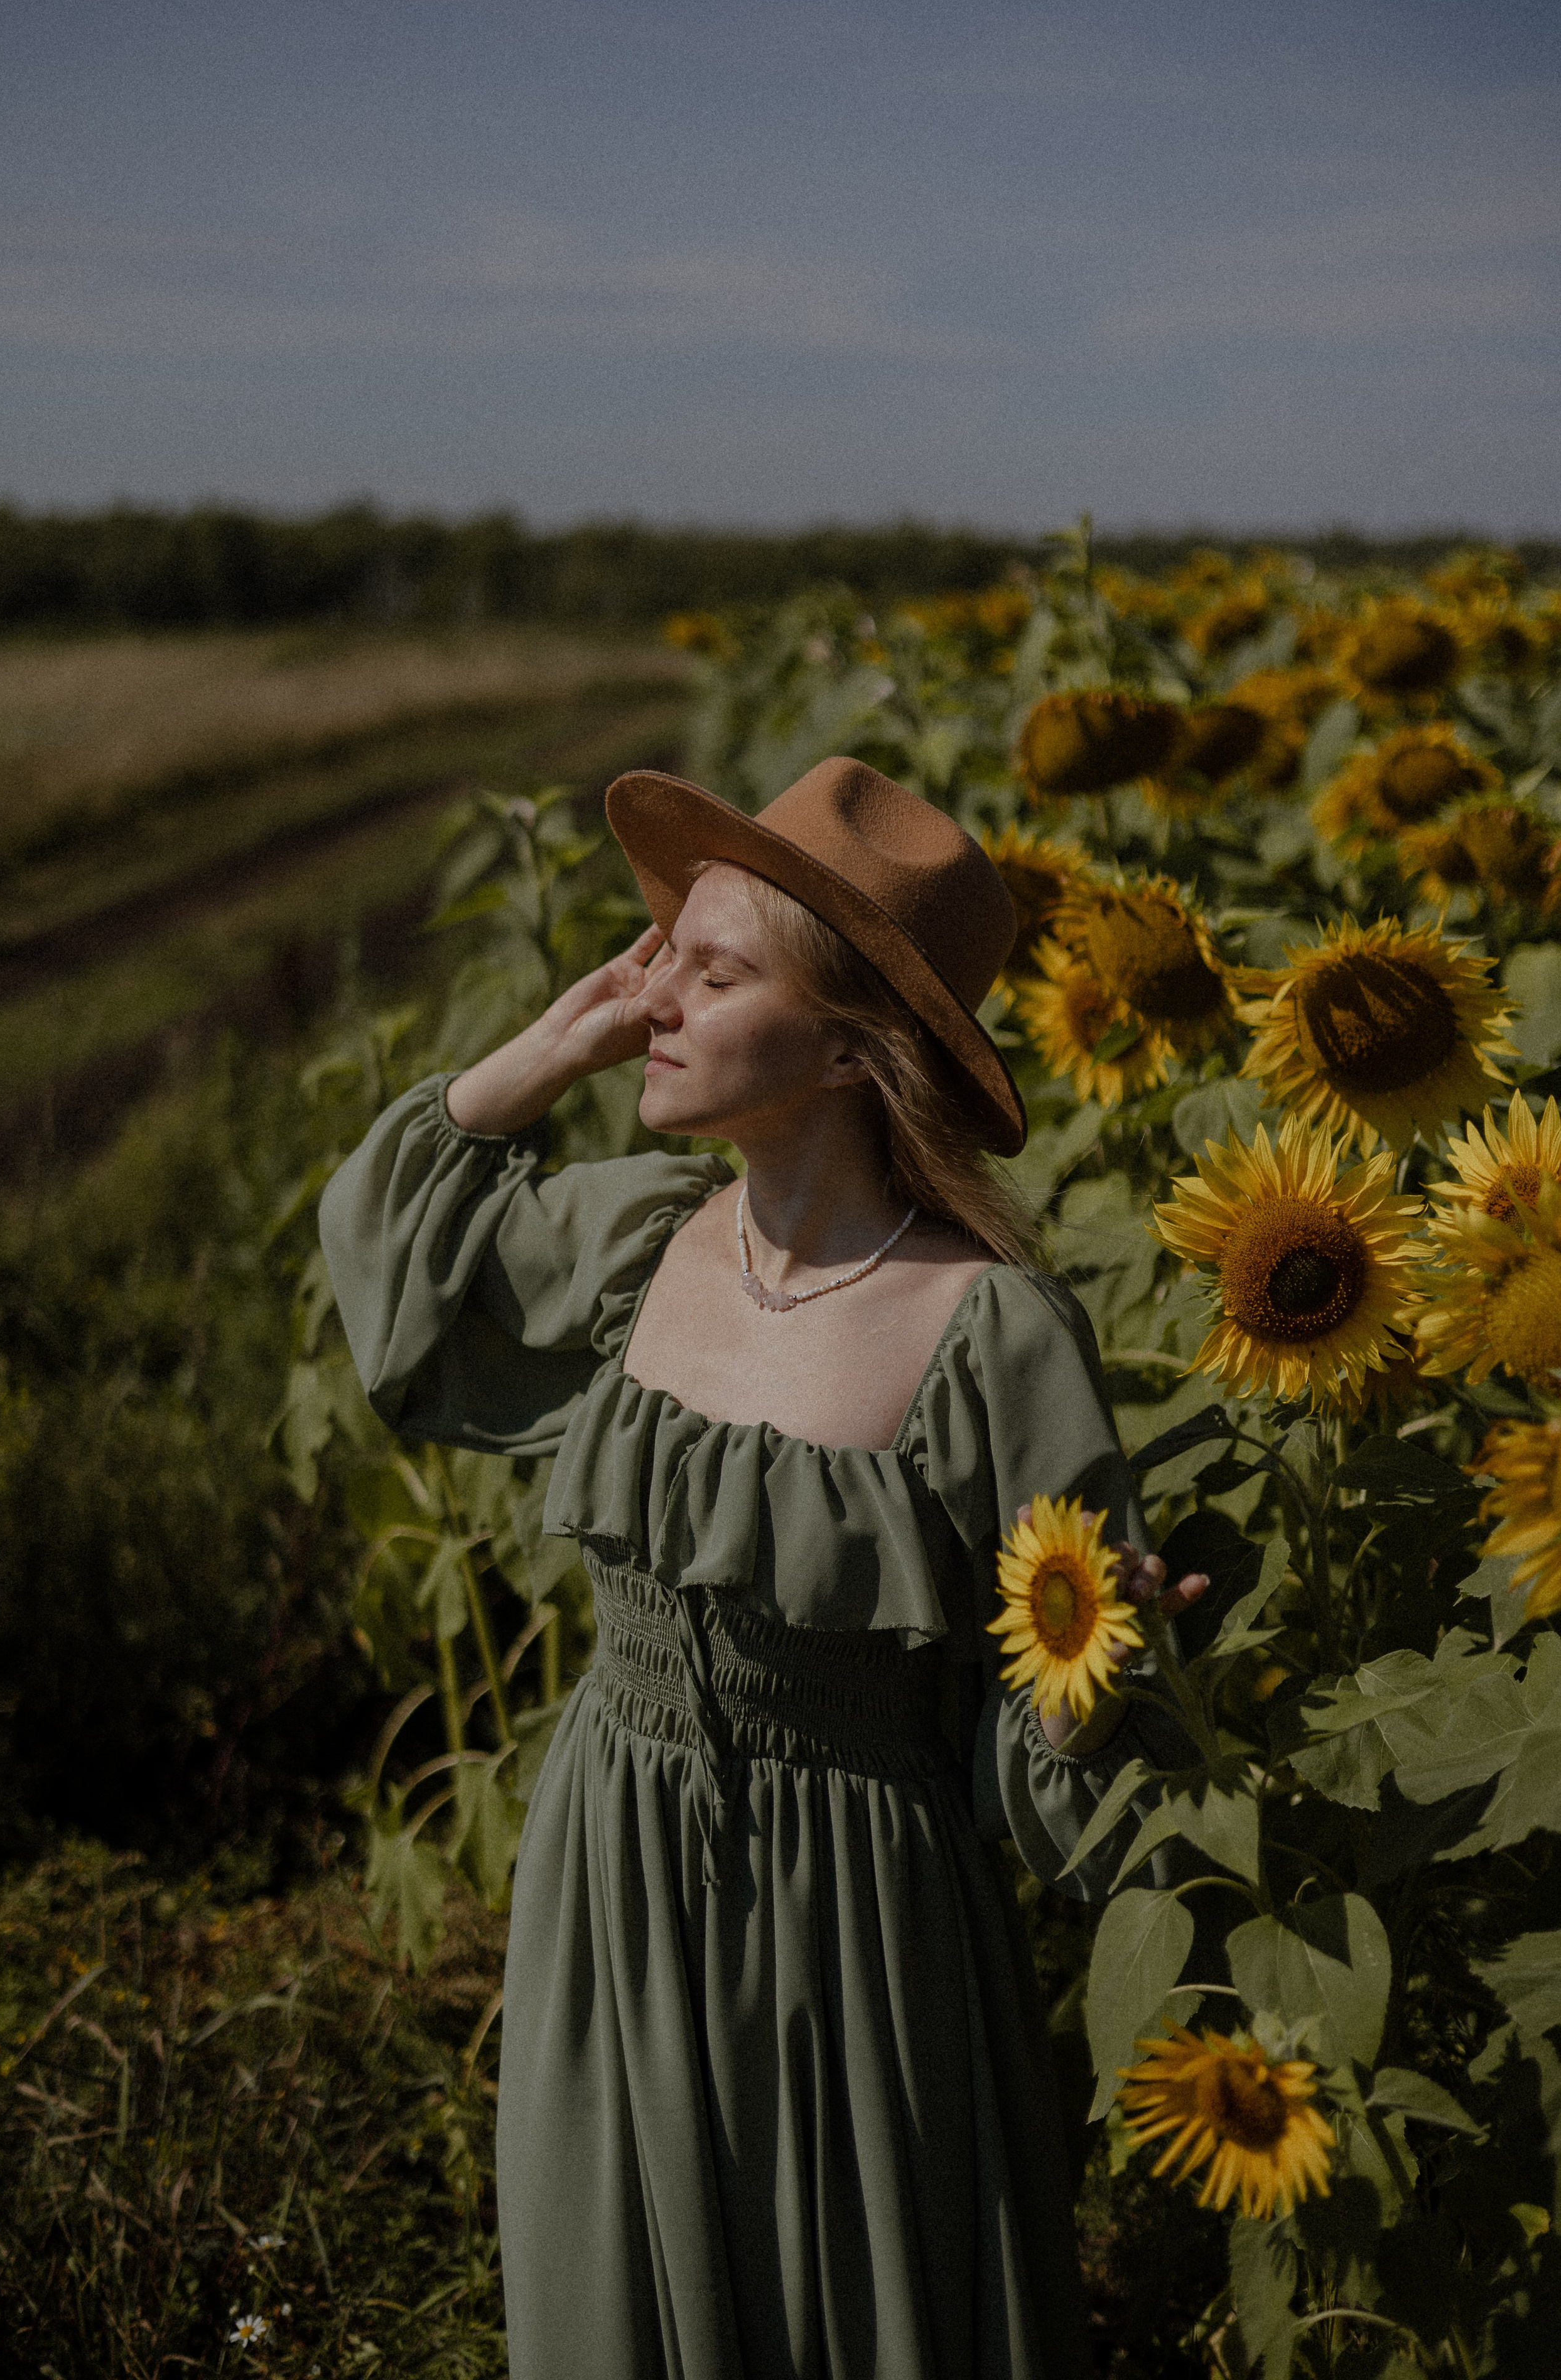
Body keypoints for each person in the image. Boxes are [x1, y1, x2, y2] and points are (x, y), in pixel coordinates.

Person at [320, 755, 1206, 2380]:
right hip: (611, 1871)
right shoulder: (638, 1245)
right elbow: (394, 1268)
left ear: (859, 1046)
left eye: (709, 972)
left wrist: (1106, 1683)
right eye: (661, 956)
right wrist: (555, 1040)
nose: (657, 996)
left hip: (857, 1927)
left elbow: (1057, 1755)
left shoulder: (991, 1333)